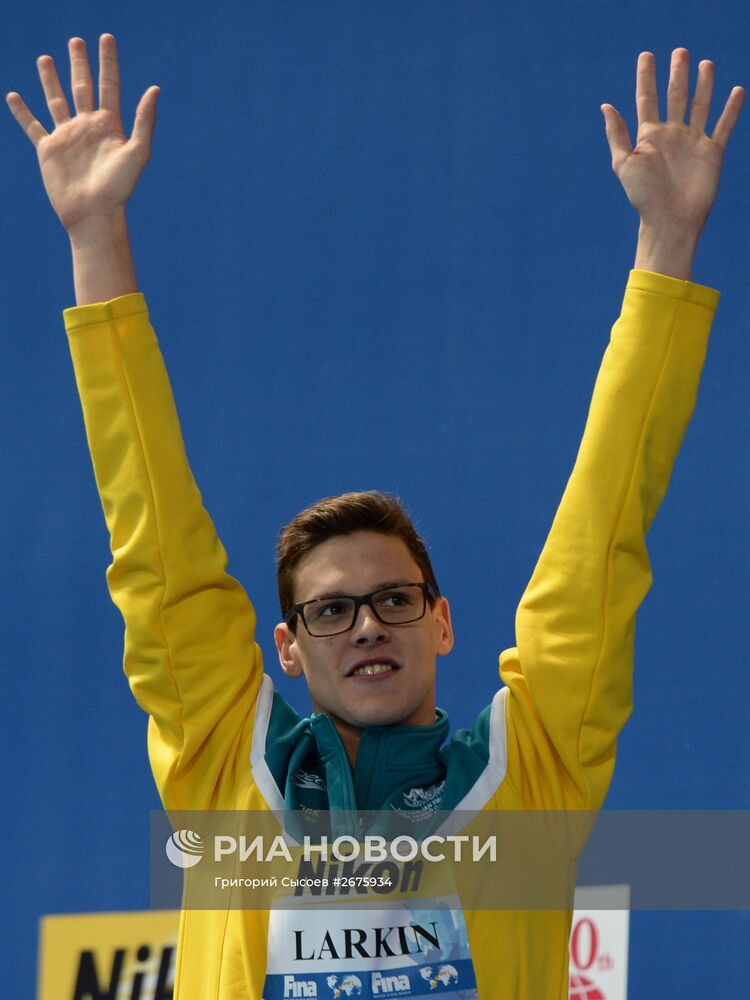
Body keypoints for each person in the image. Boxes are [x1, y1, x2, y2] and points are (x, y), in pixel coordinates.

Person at [7, 33, 743, 1000]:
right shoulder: (229, 765)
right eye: (329, 610)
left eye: (395, 599)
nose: (365, 626)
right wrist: (95, 239)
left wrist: (668, 247)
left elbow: (604, 531)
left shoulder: (527, 777)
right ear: (286, 645)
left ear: (441, 621)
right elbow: (153, 535)